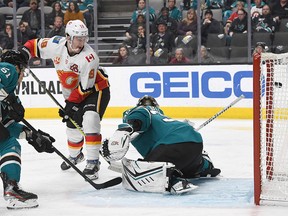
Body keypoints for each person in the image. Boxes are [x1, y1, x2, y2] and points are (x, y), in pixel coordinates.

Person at [23, 20, 110, 180]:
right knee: (72, 126)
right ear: (68, 37)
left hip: (97, 90)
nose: (81, 42)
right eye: (78, 38)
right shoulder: (56, 44)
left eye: (84, 38)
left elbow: (86, 88)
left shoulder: (90, 58)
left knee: (90, 119)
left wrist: (70, 104)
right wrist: (22, 54)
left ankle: (93, 162)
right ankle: (76, 156)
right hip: (75, 94)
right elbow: (33, 45)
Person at [101, 95, 221, 194]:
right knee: (184, 166)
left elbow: (138, 118)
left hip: (172, 146)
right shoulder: (159, 116)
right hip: (195, 144)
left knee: (144, 167)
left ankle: (172, 179)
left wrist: (122, 133)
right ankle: (203, 164)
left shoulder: (140, 111)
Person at [0, 47, 55, 209]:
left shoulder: (10, 94)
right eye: (23, 69)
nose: (23, 75)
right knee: (9, 144)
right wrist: (8, 98)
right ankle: (12, 189)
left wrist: (31, 135)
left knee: (5, 139)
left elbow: (7, 125)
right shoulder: (7, 69)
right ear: (17, 67)